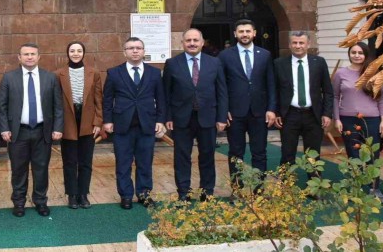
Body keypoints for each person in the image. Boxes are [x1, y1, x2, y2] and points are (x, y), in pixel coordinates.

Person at [0, 43, 64, 217]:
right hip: (17, 132)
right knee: (18, 170)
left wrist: (58, 127)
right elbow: (1, 106)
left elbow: (58, 106)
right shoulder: (9, 78)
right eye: (25, 54)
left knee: (41, 169)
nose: (29, 57)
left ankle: (40, 202)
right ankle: (19, 203)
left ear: (38, 57)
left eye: (33, 54)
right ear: (19, 57)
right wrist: (4, 128)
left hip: (43, 132)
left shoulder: (50, 78)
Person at [163, 29, 228, 201]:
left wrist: (222, 117)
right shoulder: (172, 63)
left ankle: (207, 192)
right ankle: (184, 192)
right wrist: (168, 117)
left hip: (208, 117)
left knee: (207, 156)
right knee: (181, 157)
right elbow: (166, 93)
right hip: (181, 118)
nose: (192, 43)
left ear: (202, 42)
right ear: (182, 43)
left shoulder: (215, 63)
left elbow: (222, 92)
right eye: (188, 40)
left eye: (195, 40)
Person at [103, 37, 166, 209]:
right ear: (124, 52)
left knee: (145, 162)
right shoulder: (114, 73)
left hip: (147, 125)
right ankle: (126, 196)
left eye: (138, 48)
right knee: (123, 163)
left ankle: (144, 194)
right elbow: (107, 99)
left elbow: (161, 99)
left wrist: (160, 120)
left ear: (144, 51)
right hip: (122, 125)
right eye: (131, 48)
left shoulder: (154, 73)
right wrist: (107, 120)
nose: (135, 51)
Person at [217, 19, 277, 185]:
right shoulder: (224, 56)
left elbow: (271, 84)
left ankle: (259, 189)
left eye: (248, 31)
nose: (245, 34)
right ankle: (237, 188)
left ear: (254, 33)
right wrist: (223, 110)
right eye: (241, 31)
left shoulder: (265, 55)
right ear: (235, 34)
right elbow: (221, 86)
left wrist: (271, 108)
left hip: (259, 112)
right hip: (234, 113)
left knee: (260, 152)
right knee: (236, 153)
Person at [332, 42, 383, 203]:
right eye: (353, 52)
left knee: (372, 155)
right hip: (348, 119)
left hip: (372, 119)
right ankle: (355, 188)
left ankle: (374, 189)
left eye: (360, 53)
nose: (357, 55)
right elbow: (335, 97)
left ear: (366, 55)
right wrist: (337, 118)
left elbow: (381, 99)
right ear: (349, 54)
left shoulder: (373, 73)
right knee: (353, 154)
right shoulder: (341, 73)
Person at [55, 41, 103, 209]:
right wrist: (57, 125)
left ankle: (83, 194)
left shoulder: (93, 73)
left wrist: (98, 121)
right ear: (67, 53)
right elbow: (56, 102)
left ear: (84, 53)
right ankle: (72, 195)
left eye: (79, 50)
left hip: (87, 121)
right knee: (69, 161)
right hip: (67, 121)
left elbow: (98, 99)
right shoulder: (58, 74)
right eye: (72, 51)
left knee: (85, 161)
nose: (76, 53)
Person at [274, 31, 333, 167]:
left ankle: (314, 180)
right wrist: (276, 112)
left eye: (301, 43)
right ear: (289, 45)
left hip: (313, 115)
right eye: (294, 43)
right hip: (289, 115)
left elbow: (328, 91)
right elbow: (275, 90)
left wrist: (327, 113)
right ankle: (287, 180)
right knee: (287, 153)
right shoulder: (279, 64)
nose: (298, 46)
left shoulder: (319, 62)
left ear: (308, 44)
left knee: (313, 155)